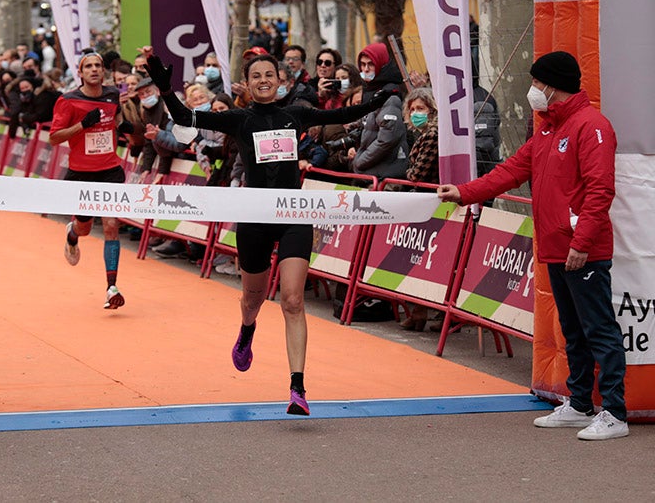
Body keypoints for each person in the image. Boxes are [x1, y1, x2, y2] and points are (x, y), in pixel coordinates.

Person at [145, 52, 394, 416]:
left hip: (293, 214)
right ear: (246, 84)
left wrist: (384, 91)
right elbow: (184, 118)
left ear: (281, 79)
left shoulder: (296, 114)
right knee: (252, 299)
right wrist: (166, 90)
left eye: (269, 74)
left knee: (293, 299)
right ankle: (247, 329)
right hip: (255, 217)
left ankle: (298, 387)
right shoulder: (239, 119)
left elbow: (345, 114)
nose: (263, 80)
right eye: (256, 75)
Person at [437, 51, 626, 441]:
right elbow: (511, 170)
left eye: (537, 83)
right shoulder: (546, 128)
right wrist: (464, 193)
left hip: (581, 248)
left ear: (552, 86)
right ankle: (579, 403)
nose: (533, 89)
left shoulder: (592, 127)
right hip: (556, 247)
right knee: (573, 330)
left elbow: (600, 189)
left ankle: (615, 412)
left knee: (599, 329)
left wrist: (582, 242)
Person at [48, 52, 130, 310]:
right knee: (84, 227)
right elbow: (54, 137)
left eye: (98, 66)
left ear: (103, 71)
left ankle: (111, 287)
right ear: (80, 73)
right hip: (81, 172)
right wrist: (82, 125)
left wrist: (123, 125)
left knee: (111, 224)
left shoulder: (113, 95)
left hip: (110, 169)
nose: (94, 70)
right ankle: (72, 235)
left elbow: (117, 119)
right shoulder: (68, 100)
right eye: (88, 66)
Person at [400, 87, 441, 332]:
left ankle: (422, 311)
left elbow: (416, 174)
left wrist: (409, 173)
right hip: (425, 204)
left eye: (421, 109)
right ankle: (418, 312)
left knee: (425, 261)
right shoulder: (424, 133)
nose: (416, 114)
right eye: (413, 109)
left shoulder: (431, 135)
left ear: (432, 110)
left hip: (430, 205)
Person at [351, 43, 408, 180]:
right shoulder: (371, 89)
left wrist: (360, 161)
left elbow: (387, 139)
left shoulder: (389, 94)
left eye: (370, 64)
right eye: (363, 64)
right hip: (375, 171)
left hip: (385, 175)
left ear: (381, 64)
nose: (366, 69)